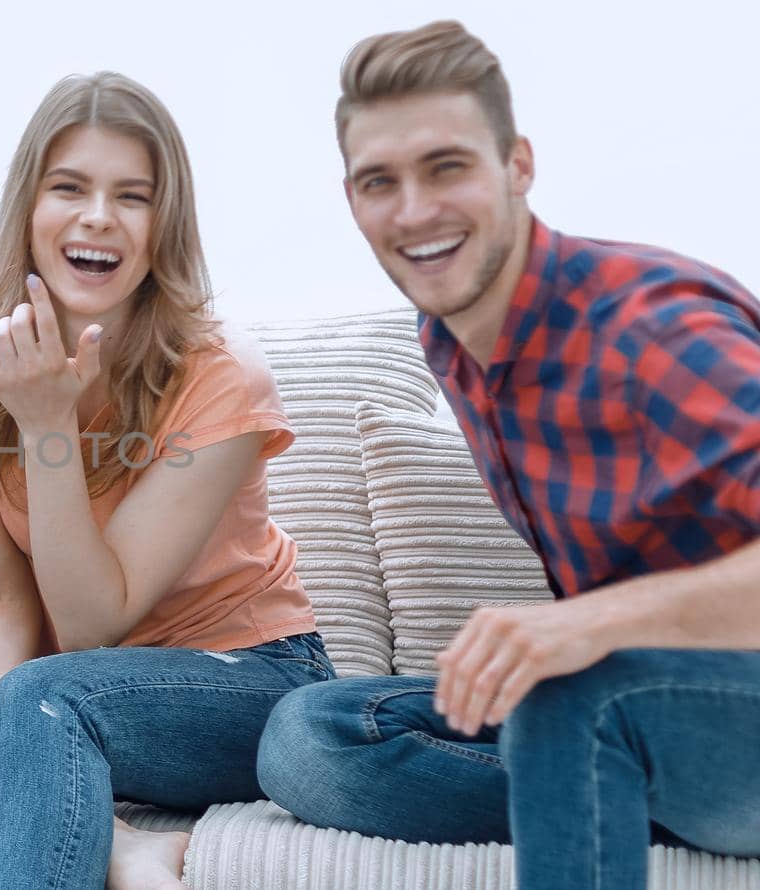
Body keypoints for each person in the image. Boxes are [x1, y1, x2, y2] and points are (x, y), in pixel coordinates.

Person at [255, 20, 760, 889]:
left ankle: (594, 770)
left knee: (573, 693)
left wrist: (586, 626)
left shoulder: (652, 332)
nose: (413, 212)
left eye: (446, 167)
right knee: (312, 737)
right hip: (643, 724)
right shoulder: (451, 340)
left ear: (517, 165)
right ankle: (594, 790)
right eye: (382, 182)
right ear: (351, 200)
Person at [0, 72, 333, 890]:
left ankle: (40, 750)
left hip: (240, 679)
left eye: (132, 196)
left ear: (166, 226)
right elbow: (3, 595)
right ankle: (117, 841)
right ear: (29, 207)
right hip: (58, 697)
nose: (97, 216)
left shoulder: (220, 375)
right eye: (70, 187)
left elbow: (93, 622)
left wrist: (47, 426)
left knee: (47, 696)